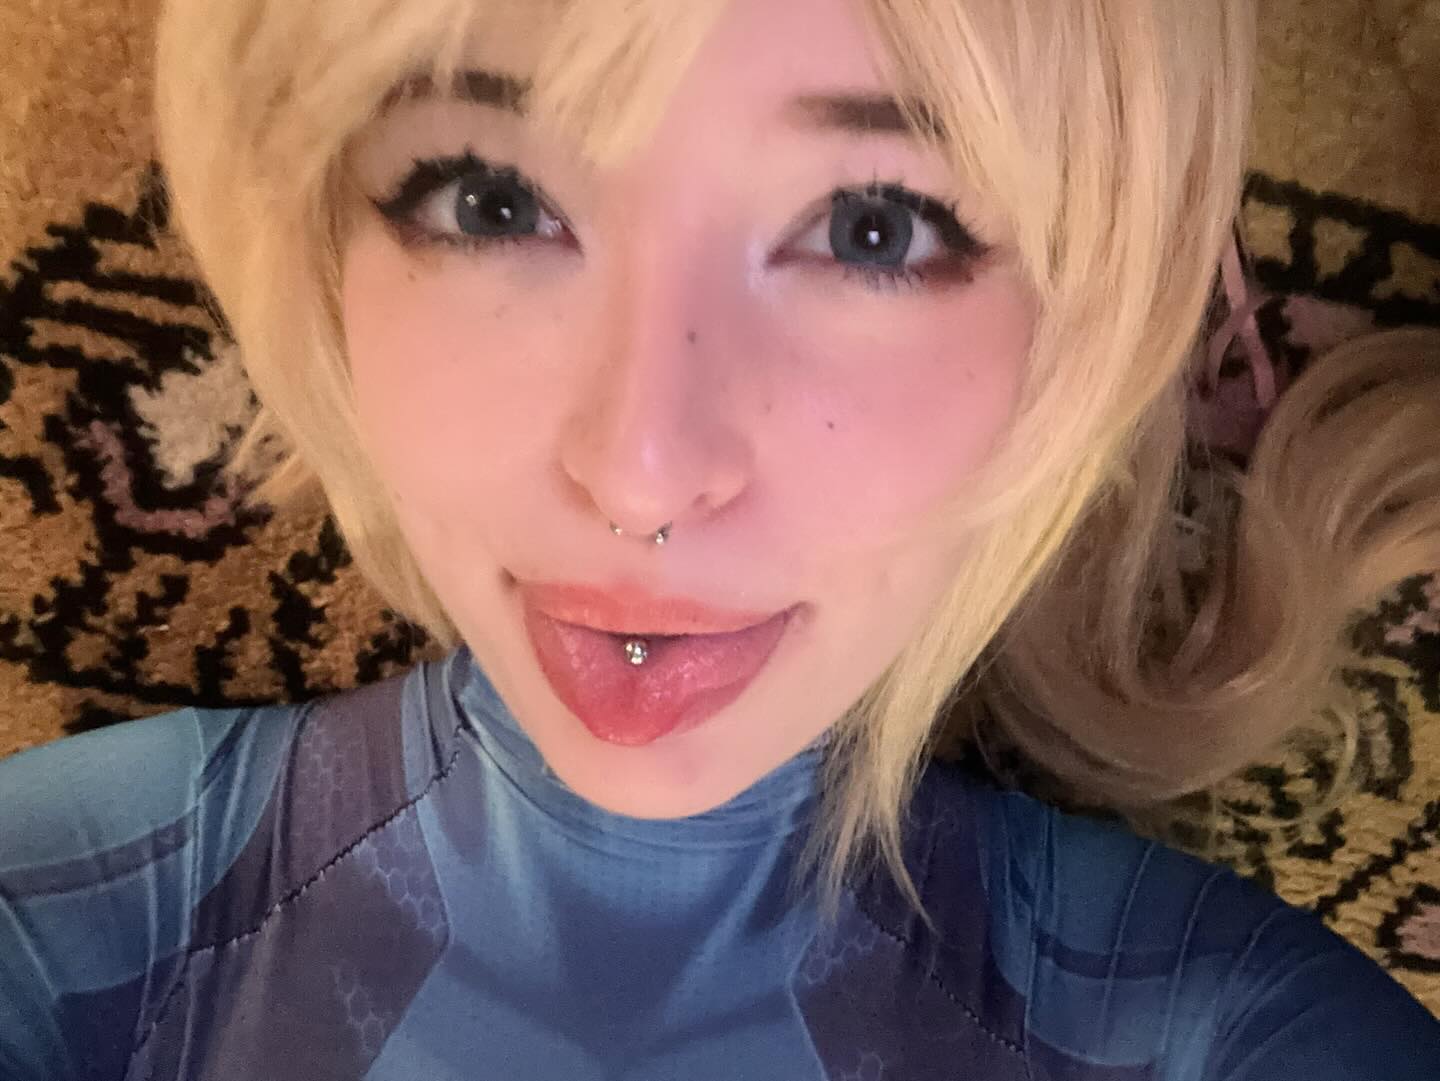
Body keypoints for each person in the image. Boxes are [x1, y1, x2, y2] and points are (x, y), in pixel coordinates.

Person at [3, 0, 1440, 1077]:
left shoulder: (1228, 1034)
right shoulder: (62, 924)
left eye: (876, 227)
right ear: (323, 251)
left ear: (1090, 312)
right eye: (489, 199)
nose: (641, 476)